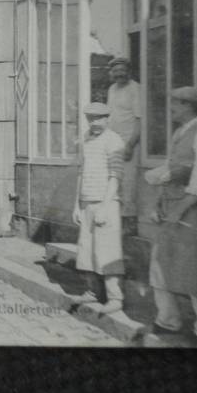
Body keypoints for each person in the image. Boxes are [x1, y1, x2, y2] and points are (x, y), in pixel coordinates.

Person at [145, 86, 197, 343]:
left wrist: (178, 211)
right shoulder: (180, 133)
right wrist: (159, 204)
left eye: (175, 105)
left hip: (193, 211)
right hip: (172, 208)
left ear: (188, 106)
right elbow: (170, 171)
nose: (171, 109)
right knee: (159, 264)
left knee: (195, 272)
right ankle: (168, 321)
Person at [71, 102, 126, 314]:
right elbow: (81, 172)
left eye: (98, 118)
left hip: (107, 203)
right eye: (90, 118)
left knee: (108, 251)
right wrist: (76, 204)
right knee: (87, 249)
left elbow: (116, 176)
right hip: (86, 202)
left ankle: (115, 298)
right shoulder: (85, 139)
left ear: (107, 118)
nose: (93, 122)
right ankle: (93, 292)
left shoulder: (114, 141)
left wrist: (104, 206)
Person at [106, 56, 142, 235]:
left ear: (129, 71)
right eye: (115, 71)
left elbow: (140, 120)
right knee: (114, 181)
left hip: (129, 143)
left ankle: (130, 224)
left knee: (129, 183)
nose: (119, 74)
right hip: (113, 142)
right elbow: (110, 116)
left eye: (122, 70)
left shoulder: (135, 89)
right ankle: (116, 220)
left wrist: (130, 145)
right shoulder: (112, 89)